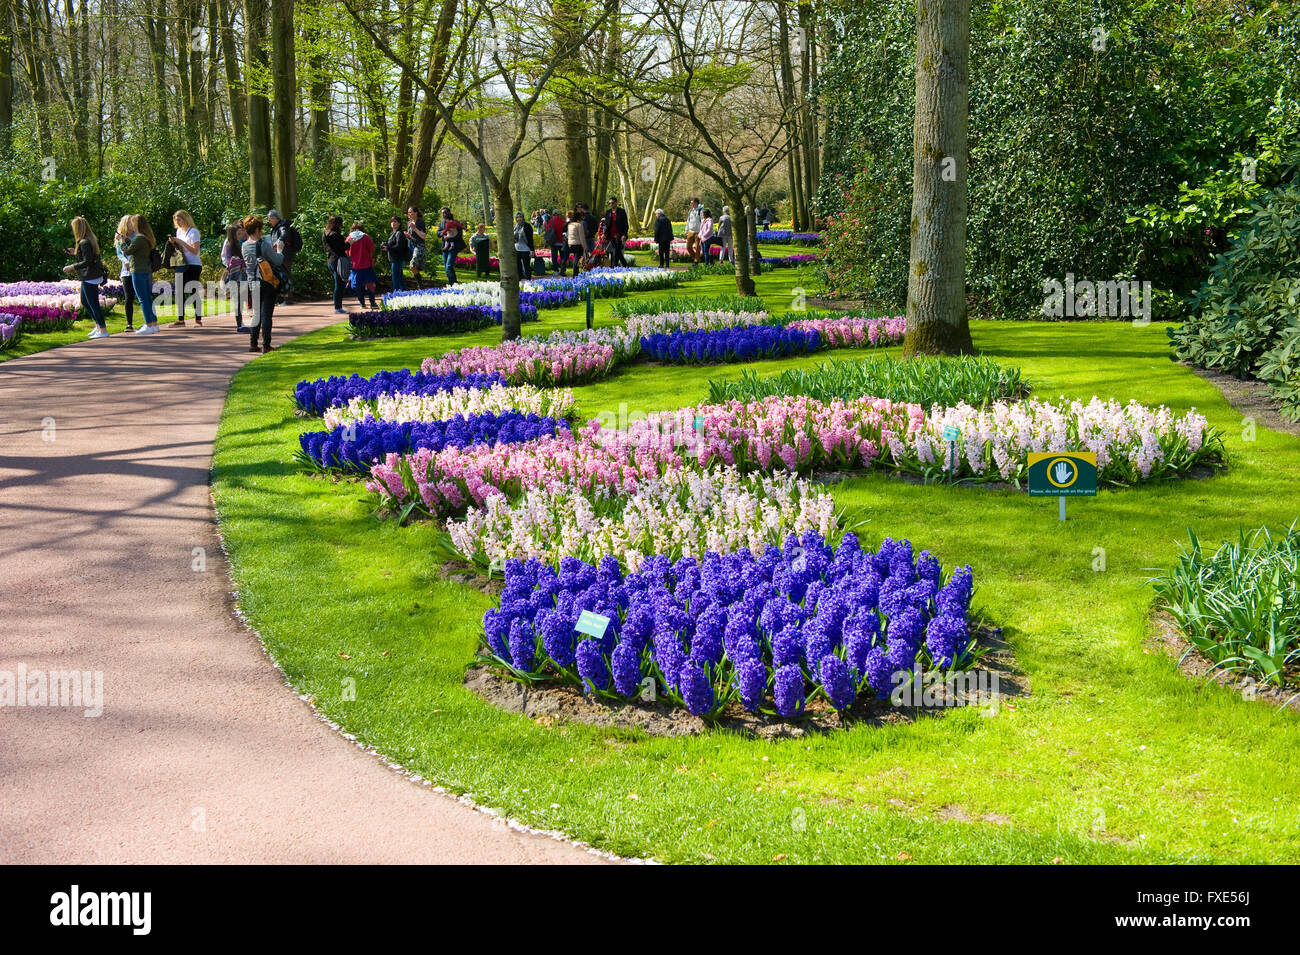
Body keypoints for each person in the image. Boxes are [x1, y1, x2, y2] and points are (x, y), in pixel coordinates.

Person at [241, 214, 282, 353]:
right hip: (266, 281)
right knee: (266, 315)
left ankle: (253, 343)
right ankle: (266, 344)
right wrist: (280, 250)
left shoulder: (244, 246)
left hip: (253, 282)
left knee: (256, 313)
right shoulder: (263, 244)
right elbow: (277, 260)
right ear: (258, 229)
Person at [63, 217, 107, 337]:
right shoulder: (88, 240)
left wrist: (72, 266)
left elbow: (87, 261)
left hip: (90, 276)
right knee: (85, 302)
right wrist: (75, 253)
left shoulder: (84, 242)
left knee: (93, 304)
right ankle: (98, 326)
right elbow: (88, 257)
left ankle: (103, 330)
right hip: (90, 276)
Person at [119, 214, 159, 334]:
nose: (130, 225)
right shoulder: (145, 237)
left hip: (138, 270)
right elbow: (134, 247)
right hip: (146, 270)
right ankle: (154, 323)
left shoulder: (139, 237)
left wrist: (122, 242)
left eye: (132, 223)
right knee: (147, 297)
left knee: (142, 299)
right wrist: (126, 239)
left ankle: (149, 324)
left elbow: (128, 251)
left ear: (137, 224)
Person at [168, 210, 203, 326]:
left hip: (193, 264)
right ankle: (181, 319)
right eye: (175, 219)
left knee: (193, 291)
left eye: (179, 219)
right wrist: (174, 243)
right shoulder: (179, 231)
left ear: (185, 219)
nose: (177, 222)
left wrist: (181, 242)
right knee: (179, 291)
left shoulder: (193, 232)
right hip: (181, 264)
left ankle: (198, 319)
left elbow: (195, 251)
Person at [266, 209, 301, 303]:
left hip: (285, 255)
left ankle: (288, 298)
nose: (269, 222)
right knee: (282, 275)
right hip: (281, 254)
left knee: (285, 274)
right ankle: (283, 298)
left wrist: (277, 243)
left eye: (270, 219)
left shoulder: (282, 226)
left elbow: (284, 235)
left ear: (274, 218)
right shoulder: (278, 226)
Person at [221, 222, 248, 333]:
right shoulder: (229, 245)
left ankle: (241, 323)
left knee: (241, 300)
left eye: (241, 233)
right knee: (237, 300)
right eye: (238, 233)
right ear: (233, 234)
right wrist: (237, 262)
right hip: (234, 275)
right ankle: (239, 324)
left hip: (241, 275)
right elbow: (227, 260)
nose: (240, 235)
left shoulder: (240, 243)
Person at [345, 221, 379, 309]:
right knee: (370, 284)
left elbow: (346, 251)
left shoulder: (349, 238)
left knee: (358, 285)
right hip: (367, 264)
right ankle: (372, 303)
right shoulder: (366, 237)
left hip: (355, 266)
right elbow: (372, 248)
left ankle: (362, 303)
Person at [322, 216, 349, 313]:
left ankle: (338, 306)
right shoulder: (335, 235)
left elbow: (326, 248)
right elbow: (341, 249)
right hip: (338, 260)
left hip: (330, 260)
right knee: (339, 284)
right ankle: (338, 307)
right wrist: (349, 243)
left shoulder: (325, 233)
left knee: (338, 283)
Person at [113, 217, 136, 332]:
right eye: (130, 223)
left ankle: (150, 321)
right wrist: (125, 261)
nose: (132, 224)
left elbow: (135, 249)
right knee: (128, 297)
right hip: (126, 272)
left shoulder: (136, 236)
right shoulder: (119, 237)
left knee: (142, 295)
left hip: (137, 269)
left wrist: (126, 240)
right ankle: (129, 324)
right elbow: (119, 253)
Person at [438, 208, 464, 285]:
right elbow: (438, 233)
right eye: (442, 213)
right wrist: (443, 234)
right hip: (445, 247)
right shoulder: (442, 223)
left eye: (445, 213)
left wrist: (449, 237)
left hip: (453, 247)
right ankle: (453, 283)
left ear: (449, 213)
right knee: (447, 267)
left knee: (449, 266)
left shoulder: (455, 222)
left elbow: (459, 235)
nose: (443, 214)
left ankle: (453, 284)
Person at [384, 216, 411, 292]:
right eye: (392, 221)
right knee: (400, 278)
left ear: (399, 223)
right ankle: (404, 293)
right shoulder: (393, 233)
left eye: (395, 221)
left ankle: (396, 294)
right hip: (394, 259)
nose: (393, 223)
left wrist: (388, 247)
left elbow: (399, 247)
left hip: (397, 259)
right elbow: (392, 245)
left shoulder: (399, 233)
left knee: (396, 278)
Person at [603, 196, 629, 267]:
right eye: (609, 203)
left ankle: (613, 267)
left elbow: (626, 225)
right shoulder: (608, 212)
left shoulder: (622, 212)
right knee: (617, 253)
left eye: (612, 203)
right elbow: (606, 224)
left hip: (619, 235)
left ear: (616, 203)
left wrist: (624, 235)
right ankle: (625, 266)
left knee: (615, 252)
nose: (611, 204)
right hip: (610, 236)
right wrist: (604, 233)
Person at [406, 206, 428, 287]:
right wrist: (408, 235)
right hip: (411, 246)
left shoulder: (420, 222)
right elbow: (412, 236)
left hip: (419, 246)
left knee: (412, 265)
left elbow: (423, 236)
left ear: (416, 213)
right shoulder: (409, 223)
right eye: (408, 212)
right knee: (413, 266)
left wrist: (415, 229)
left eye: (411, 212)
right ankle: (420, 284)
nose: (409, 214)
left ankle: (420, 284)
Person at [562, 210, 586, 276]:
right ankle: (575, 274)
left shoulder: (570, 225)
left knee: (575, 258)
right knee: (576, 259)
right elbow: (582, 237)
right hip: (578, 243)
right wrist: (585, 247)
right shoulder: (579, 225)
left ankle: (575, 273)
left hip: (570, 244)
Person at [513, 211, 534, 280]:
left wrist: (532, 250)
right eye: (517, 217)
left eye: (520, 217)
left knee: (526, 266)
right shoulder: (515, 227)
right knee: (518, 266)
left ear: (523, 217)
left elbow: (530, 239)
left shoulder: (527, 226)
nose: (519, 219)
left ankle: (528, 280)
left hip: (525, 249)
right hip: (517, 249)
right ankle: (519, 280)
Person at [547, 211, 567, 275]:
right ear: (559, 214)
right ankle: (563, 270)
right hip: (561, 242)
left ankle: (556, 270)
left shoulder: (550, 221)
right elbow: (566, 230)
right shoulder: (563, 221)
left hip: (553, 242)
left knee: (554, 257)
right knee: (563, 257)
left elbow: (547, 229)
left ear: (553, 214)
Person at [685, 198, 703, 263]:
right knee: (688, 247)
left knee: (698, 247)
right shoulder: (690, 211)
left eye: (692, 203)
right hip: (691, 231)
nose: (691, 204)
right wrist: (686, 230)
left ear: (696, 203)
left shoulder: (701, 211)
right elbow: (688, 221)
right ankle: (696, 257)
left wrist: (702, 232)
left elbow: (703, 221)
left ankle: (696, 261)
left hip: (698, 231)